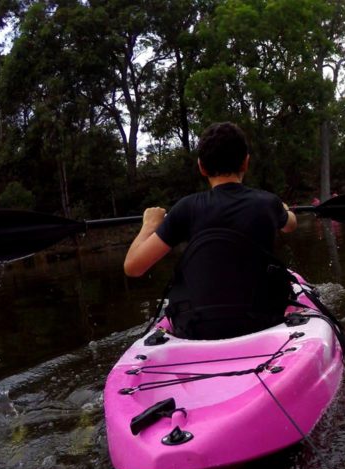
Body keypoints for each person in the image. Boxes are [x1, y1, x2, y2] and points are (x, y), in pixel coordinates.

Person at [123, 121, 298, 339]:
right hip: (262, 319)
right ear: (246, 162)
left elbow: (133, 267)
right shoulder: (267, 203)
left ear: (201, 167)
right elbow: (291, 225)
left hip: (196, 328)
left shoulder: (184, 209)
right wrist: (282, 208)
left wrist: (148, 225)